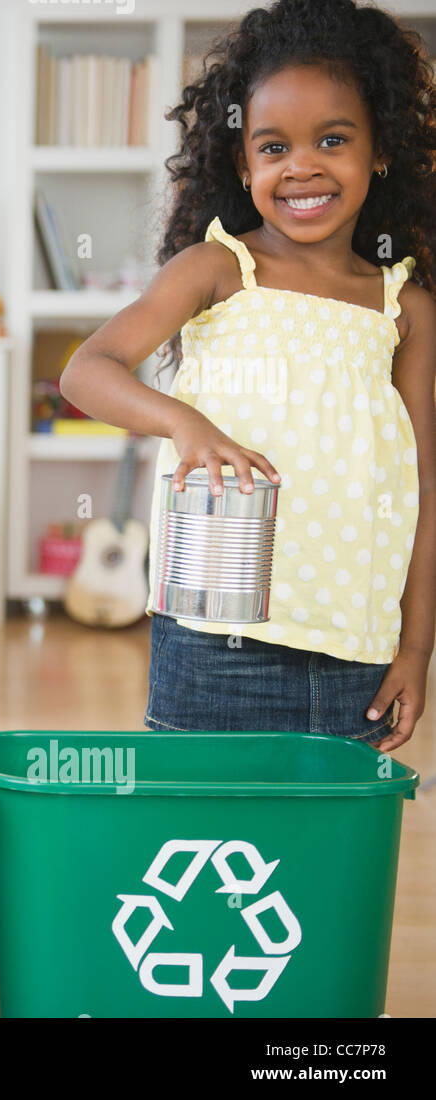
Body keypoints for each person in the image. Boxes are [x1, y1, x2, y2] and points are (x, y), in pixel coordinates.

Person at [59, 0, 435, 752]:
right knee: (205, 844)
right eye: (273, 147)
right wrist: (183, 422)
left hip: (354, 647)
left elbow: (425, 484)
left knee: (321, 859)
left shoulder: (407, 309)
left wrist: (417, 650)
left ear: (380, 151)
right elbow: (86, 371)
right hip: (213, 637)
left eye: (333, 139)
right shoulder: (219, 268)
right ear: (243, 162)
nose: (302, 166)